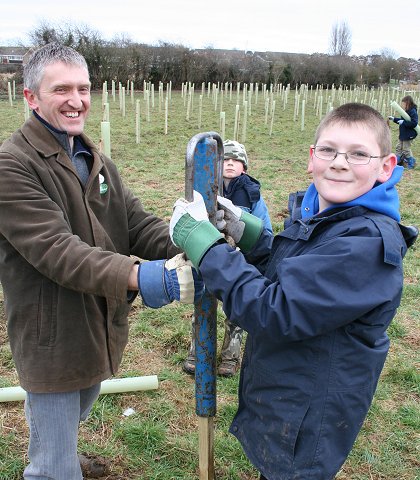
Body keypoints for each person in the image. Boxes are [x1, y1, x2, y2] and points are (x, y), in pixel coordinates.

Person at [169, 103, 417, 480]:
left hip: (309, 418)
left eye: (358, 154)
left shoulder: (365, 245)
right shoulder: (325, 214)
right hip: (290, 394)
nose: (339, 163)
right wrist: (245, 231)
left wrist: (206, 246)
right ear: (312, 158)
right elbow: (295, 271)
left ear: (386, 166)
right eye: (329, 150)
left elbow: (276, 312)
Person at [0, 43, 203, 480]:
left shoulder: (94, 159)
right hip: (52, 334)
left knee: (78, 409)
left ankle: (64, 455)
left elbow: (136, 224)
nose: (77, 100)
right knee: (52, 467)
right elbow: (58, 251)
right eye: (61, 90)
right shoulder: (11, 166)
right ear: (31, 97)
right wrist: (147, 278)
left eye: (84, 88)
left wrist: (195, 242)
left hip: (96, 323)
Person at [183, 140, 273, 377]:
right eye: (226, 160)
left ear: (245, 167)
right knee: (202, 301)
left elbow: (264, 230)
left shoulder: (252, 195)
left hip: (240, 261)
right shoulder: (205, 190)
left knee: (236, 310)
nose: (231, 164)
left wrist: (247, 241)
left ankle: (230, 356)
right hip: (209, 256)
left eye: (237, 160)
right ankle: (198, 350)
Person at [388, 95, 418, 169]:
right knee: (398, 147)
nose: (403, 105)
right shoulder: (406, 111)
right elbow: (402, 121)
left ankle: (411, 162)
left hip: (409, 134)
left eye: (404, 104)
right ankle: (397, 161)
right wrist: (394, 119)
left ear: (408, 103)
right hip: (403, 133)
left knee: (406, 149)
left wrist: (403, 122)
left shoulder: (413, 112)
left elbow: (414, 123)